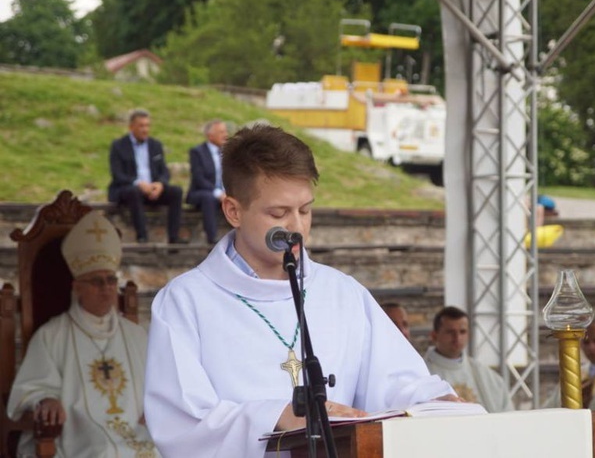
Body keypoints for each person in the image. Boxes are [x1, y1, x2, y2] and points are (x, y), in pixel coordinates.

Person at [143, 123, 457, 457]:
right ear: (233, 211)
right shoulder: (184, 302)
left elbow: (395, 381)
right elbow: (181, 425)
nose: (296, 227)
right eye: (279, 213)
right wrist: (274, 416)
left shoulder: (342, 293)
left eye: (305, 210)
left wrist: (435, 401)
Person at [7, 211, 158, 457]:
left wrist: (155, 407)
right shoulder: (51, 336)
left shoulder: (135, 334)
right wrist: (46, 400)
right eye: (96, 281)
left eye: (111, 280)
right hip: (79, 433)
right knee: (104, 451)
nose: (107, 288)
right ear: (77, 288)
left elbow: (159, 385)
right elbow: (31, 388)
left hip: (136, 429)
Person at [108, 108, 185, 244]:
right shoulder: (119, 146)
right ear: (131, 127)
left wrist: (160, 184)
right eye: (141, 126)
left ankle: (174, 237)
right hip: (130, 189)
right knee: (134, 191)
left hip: (152, 189)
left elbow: (164, 171)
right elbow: (117, 174)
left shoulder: (155, 145)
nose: (145, 129)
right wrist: (138, 183)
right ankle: (142, 237)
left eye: (147, 125)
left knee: (176, 191)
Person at [423, 306, 514, 413]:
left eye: (462, 332)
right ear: (434, 336)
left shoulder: (490, 379)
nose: (457, 338)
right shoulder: (421, 374)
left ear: (469, 335)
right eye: (450, 332)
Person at [187, 119, 229, 244]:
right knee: (208, 198)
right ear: (210, 136)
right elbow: (199, 178)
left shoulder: (228, 152)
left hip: (224, 193)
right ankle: (212, 238)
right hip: (202, 192)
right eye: (221, 132)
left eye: (225, 131)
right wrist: (218, 194)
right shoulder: (197, 152)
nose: (226, 135)